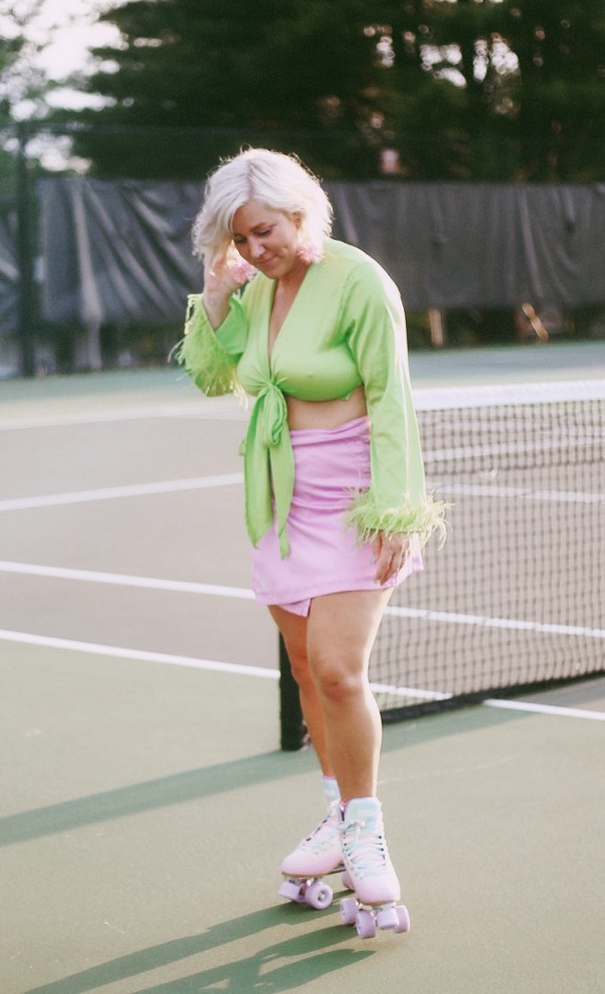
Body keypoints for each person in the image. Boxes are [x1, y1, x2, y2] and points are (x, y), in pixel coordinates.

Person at [174, 148, 447, 911]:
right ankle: (335, 811)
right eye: (240, 240)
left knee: (336, 669)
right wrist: (217, 293)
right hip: (278, 498)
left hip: (355, 495)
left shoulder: (359, 280)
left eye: (264, 233)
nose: (255, 251)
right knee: (303, 670)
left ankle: (364, 827)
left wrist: (397, 505)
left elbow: (393, 395)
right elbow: (212, 374)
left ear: (300, 213)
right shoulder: (257, 290)